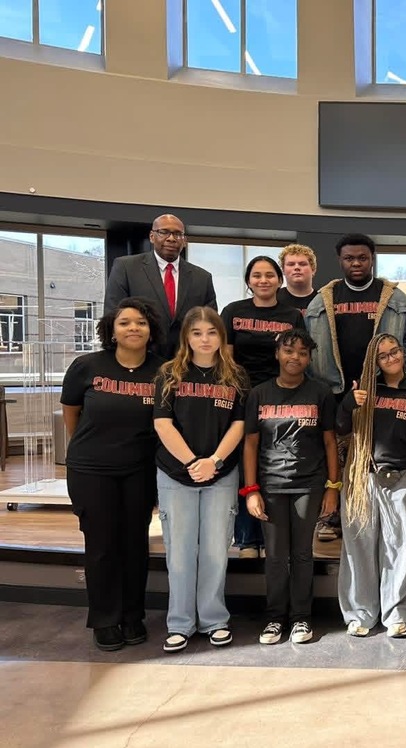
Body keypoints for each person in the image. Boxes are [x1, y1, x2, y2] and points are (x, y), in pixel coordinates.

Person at [60, 298, 165, 652]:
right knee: (101, 545)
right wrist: (87, 449)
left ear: (151, 330)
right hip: (91, 469)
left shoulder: (163, 371)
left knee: (135, 544)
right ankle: (105, 619)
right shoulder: (86, 366)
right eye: (125, 322)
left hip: (139, 470)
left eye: (141, 322)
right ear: (112, 330)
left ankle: (133, 615)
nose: (133, 328)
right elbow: (71, 411)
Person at [305, 233, 406, 542]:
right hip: (336, 390)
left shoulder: (394, 298)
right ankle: (333, 517)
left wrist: (397, 365)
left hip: (381, 391)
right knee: (336, 455)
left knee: (374, 455)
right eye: (349, 258)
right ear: (340, 260)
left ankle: (373, 516)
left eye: (362, 258)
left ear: (372, 259)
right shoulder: (324, 298)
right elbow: (309, 342)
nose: (356, 263)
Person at [153, 307, 248, 653]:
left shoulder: (235, 376)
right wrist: (193, 462)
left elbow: (239, 424)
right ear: (186, 338)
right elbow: (162, 423)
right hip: (176, 474)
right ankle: (180, 623)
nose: (204, 339)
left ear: (221, 337)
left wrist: (215, 461)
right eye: (197, 333)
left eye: (211, 332)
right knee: (179, 552)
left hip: (221, 474)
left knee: (215, 550)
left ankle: (214, 620)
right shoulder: (169, 374)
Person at [244, 329, 341, 646]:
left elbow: (330, 442)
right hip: (271, 485)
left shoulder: (320, 393)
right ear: (277, 354)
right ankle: (274, 618)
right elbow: (250, 444)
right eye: (288, 350)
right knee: (275, 556)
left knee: (301, 554)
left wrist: (333, 486)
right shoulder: (259, 394)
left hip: (309, 485)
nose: (295, 357)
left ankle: (301, 617)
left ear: (309, 358)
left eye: (302, 352)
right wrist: (251, 489)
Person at [336, 334, 406, 638]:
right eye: (383, 355)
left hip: (402, 475)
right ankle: (360, 614)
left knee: (401, 546)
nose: (391, 358)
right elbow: (340, 426)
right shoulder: (365, 389)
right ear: (374, 361)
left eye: (395, 352)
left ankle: (398, 614)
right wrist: (349, 404)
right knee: (359, 545)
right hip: (363, 475)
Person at [222, 255, 304, 558]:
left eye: (270, 275)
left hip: (278, 396)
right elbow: (226, 356)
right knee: (245, 466)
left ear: (279, 280)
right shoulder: (233, 311)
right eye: (256, 275)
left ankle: (271, 537)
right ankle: (246, 539)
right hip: (242, 395)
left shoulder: (292, 315)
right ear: (248, 281)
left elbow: (297, 356)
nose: (263, 280)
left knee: (273, 463)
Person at [104, 214, 217, 359]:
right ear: (152, 236)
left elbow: (210, 323)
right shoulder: (126, 267)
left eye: (177, 234)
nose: (171, 238)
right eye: (164, 232)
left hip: (186, 361)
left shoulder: (202, 278)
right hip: (139, 359)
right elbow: (112, 315)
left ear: (184, 241)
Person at [276, 243, 319, 314]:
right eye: (291, 264)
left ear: (313, 269)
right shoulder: (273, 299)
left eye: (302, 264)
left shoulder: (323, 301)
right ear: (283, 270)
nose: (297, 267)